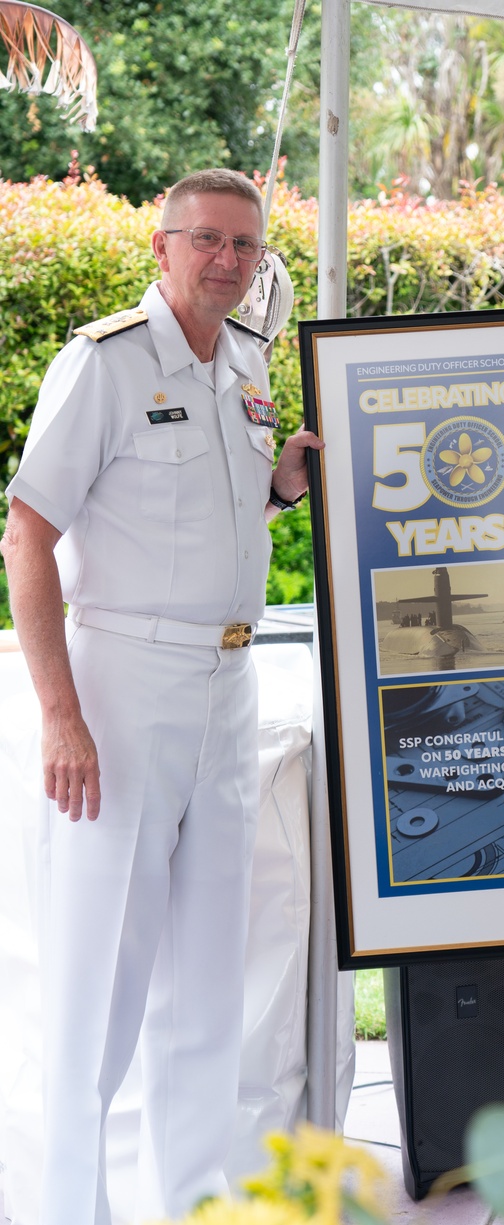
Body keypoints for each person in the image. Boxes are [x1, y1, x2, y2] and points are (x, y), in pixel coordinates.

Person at [0, 168, 323, 1225]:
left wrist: (280, 486)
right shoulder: (102, 365)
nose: (228, 261)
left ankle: (191, 1204)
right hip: (123, 690)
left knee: (207, 985)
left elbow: (214, 515)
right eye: (208, 241)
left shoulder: (247, 365)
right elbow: (28, 535)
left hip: (229, 685)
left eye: (246, 246)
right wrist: (60, 712)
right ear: (163, 245)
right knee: (99, 983)